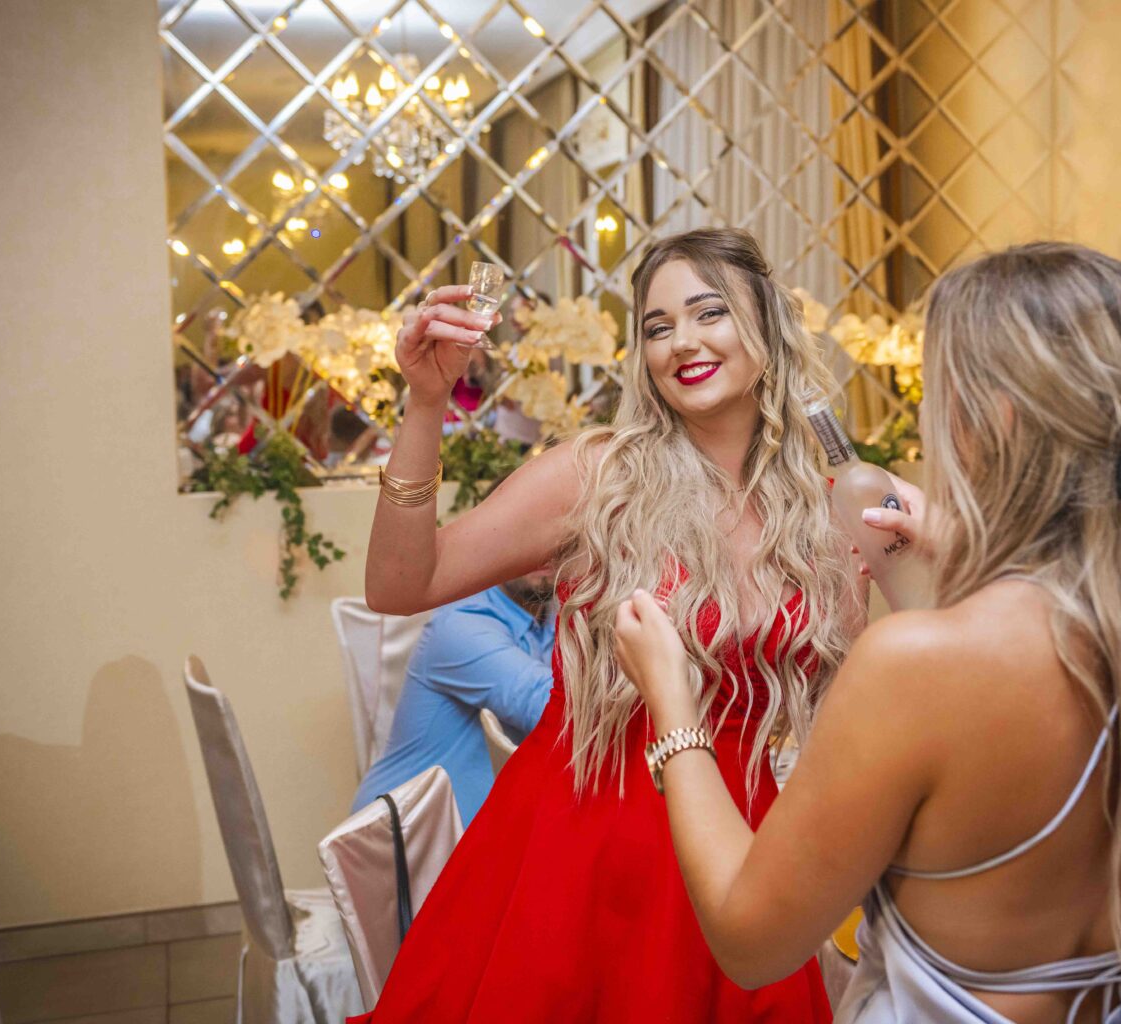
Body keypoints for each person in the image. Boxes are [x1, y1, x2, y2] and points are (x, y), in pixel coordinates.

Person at [614, 242, 1121, 1024]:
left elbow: (749, 942)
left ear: (991, 416)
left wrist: (674, 706)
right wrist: (971, 555)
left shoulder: (915, 665)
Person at [354, 228, 862, 1022]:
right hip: (583, 851)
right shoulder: (598, 477)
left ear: (768, 325)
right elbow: (398, 584)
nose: (681, 342)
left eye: (709, 313)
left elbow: (850, 701)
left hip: (743, 849)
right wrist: (425, 405)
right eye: (658, 327)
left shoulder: (818, 509)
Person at [348, 567, 556, 825]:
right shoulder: (460, 623)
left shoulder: (554, 617)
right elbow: (554, 708)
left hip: (486, 829)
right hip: (404, 834)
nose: (544, 551)